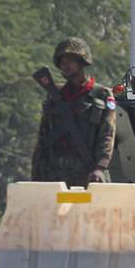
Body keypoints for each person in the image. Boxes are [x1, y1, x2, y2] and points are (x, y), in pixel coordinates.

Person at [32, 37, 116, 188]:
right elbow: (43, 138)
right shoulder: (55, 97)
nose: (65, 66)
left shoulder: (102, 95)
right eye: (62, 62)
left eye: (69, 61)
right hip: (55, 176)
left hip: (89, 175)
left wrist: (100, 168)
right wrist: (36, 175)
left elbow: (107, 135)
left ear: (81, 61)